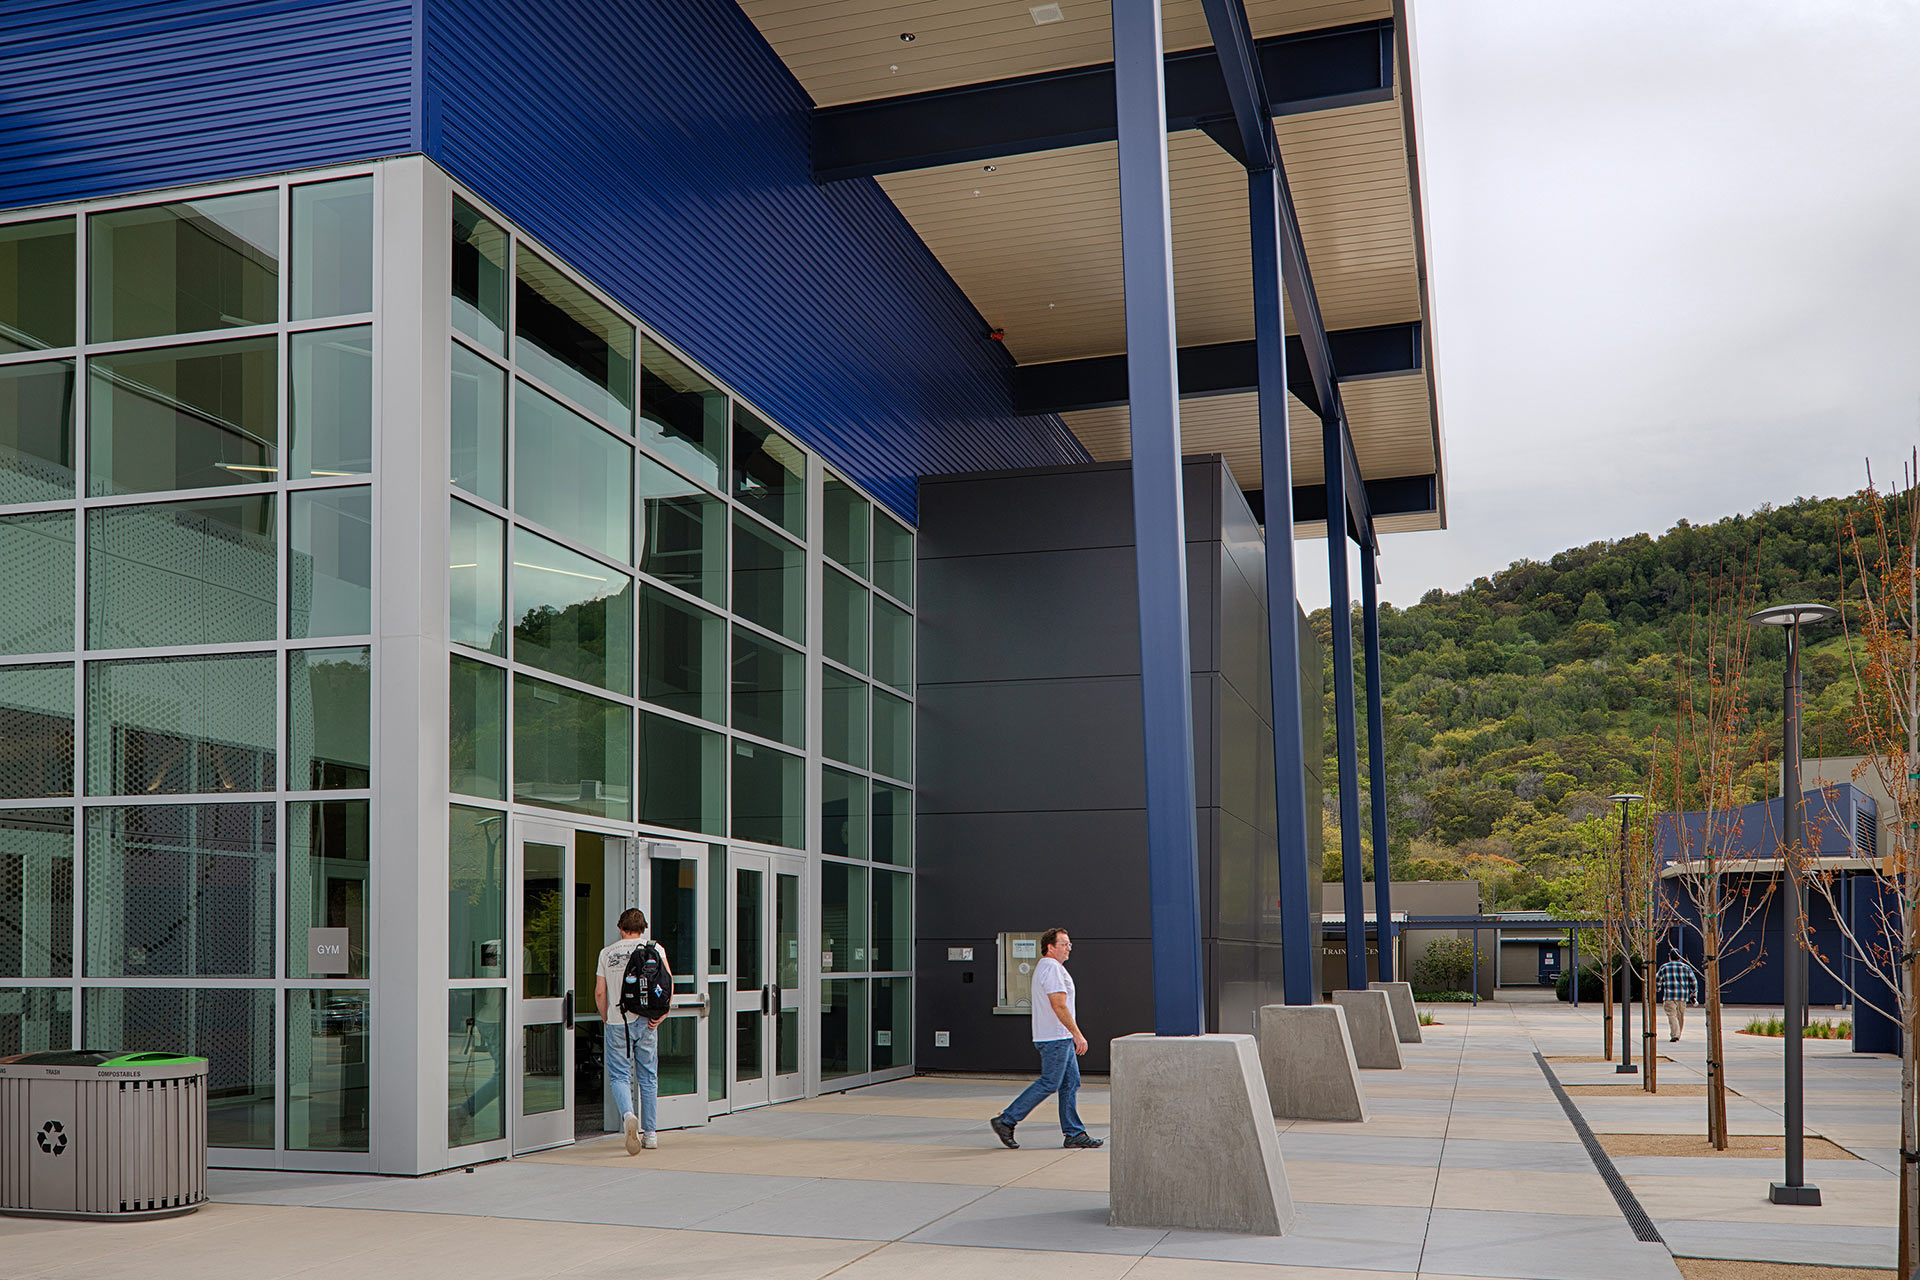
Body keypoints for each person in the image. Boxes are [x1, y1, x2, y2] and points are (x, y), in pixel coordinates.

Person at [989, 927, 1102, 1150]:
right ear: (1050, 947)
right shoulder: (1051, 968)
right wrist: (1077, 1034)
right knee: (1051, 1082)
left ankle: (1074, 1133)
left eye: (1070, 944)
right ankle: (1007, 1120)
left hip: (1058, 1037)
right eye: (1064, 944)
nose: (1069, 948)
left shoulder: (1050, 968)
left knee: (1071, 1082)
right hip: (1056, 1038)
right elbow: (1058, 1005)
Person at [594, 908, 670, 1153]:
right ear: (643, 928)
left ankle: (628, 1115)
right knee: (648, 1076)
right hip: (648, 1021)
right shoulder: (656, 949)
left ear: (620, 927)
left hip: (618, 1020)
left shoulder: (607, 953)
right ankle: (650, 1135)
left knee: (619, 1075)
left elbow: (599, 992)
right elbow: (668, 982)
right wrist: (663, 1013)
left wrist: (607, 1016)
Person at [1655, 950, 1702, 1042]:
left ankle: (1675, 1034)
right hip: (1682, 996)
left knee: (1671, 1015)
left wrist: (1658, 988)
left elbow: (1657, 980)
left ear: (1670, 957)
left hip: (1669, 996)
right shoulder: (1686, 967)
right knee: (1680, 1016)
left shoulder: (1664, 967)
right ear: (1680, 957)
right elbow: (1693, 981)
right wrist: (1693, 993)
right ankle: (1677, 1034)